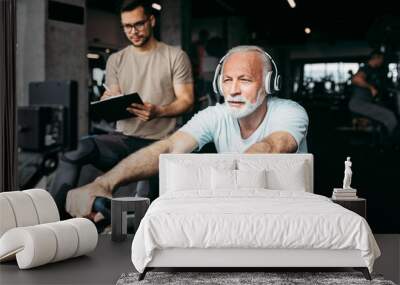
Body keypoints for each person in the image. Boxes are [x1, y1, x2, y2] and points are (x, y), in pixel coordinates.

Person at [65, 45, 309, 218]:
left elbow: (270, 147)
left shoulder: (290, 112)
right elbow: (170, 147)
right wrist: (105, 183)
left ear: (269, 84)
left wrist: (210, 189)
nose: (233, 90)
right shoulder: (216, 115)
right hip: (238, 212)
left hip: (285, 211)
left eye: (244, 80)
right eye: (227, 80)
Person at [50, 0, 194, 219]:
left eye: (138, 24)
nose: (132, 32)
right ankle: (54, 217)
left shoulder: (175, 56)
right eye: (127, 26)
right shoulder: (116, 60)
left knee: (146, 207)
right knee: (76, 149)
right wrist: (109, 99)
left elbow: (186, 100)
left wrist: (159, 111)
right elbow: (115, 94)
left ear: (151, 21)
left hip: (160, 144)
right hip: (124, 140)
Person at [348, 50, 398, 140]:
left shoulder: (374, 71)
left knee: (384, 117)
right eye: (381, 59)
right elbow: (356, 79)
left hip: (363, 103)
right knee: (390, 117)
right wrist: (371, 87)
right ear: (376, 58)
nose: (382, 62)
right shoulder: (366, 68)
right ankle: (393, 144)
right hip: (358, 104)